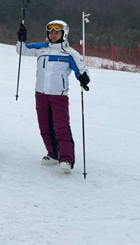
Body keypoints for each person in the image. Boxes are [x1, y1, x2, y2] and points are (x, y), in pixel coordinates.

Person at [17, 20, 90, 174]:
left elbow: (81, 69)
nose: (53, 35)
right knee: (44, 126)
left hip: (59, 95)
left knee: (61, 127)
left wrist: (83, 78)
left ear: (64, 33)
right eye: (51, 32)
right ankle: (53, 154)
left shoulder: (70, 52)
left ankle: (66, 158)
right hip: (40, 94)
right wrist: (21, 38)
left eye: (57, 32)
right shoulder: (41, 48)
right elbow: (22, 51)